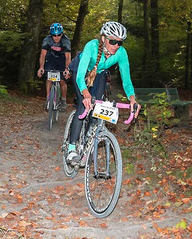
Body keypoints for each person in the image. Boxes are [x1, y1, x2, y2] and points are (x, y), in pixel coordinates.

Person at [66, 21, 140, 163]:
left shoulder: (121, 53)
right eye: (113, 41)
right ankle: (71, 148)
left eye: (120, 43)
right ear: (103, 38)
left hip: (99, 74)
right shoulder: (91, 46)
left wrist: (132, 99)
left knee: (96, 109)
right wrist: (85, 94)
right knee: (84, 106)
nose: (116, 46)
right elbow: (80, 75)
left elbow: (126, 81)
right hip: (80, 72)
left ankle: (87, 141)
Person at [37, 23, 71, 110]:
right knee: (49, 78)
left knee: (62, 80)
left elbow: (68, 57)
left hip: (62, 59)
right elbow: (43, 54)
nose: (56, 37)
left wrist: (67, 69)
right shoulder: (47, 40)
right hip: (51, 58)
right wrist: (41, 67)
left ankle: (63, 100)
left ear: (61, 34)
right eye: (54, 35)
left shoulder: (65, 41)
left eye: (58, 35)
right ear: (51, 35)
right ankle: (48, 99)